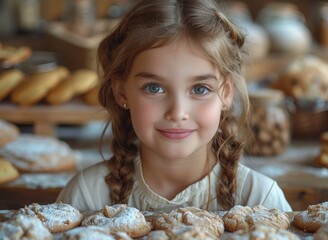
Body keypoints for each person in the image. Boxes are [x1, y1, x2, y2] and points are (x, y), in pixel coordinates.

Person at [57, 0, 292, 212]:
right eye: (154, 88)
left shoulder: (260, 199)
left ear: (227, 93)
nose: (178, 112)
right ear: (121, 92)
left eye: (200, 89)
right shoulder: (86, 196)